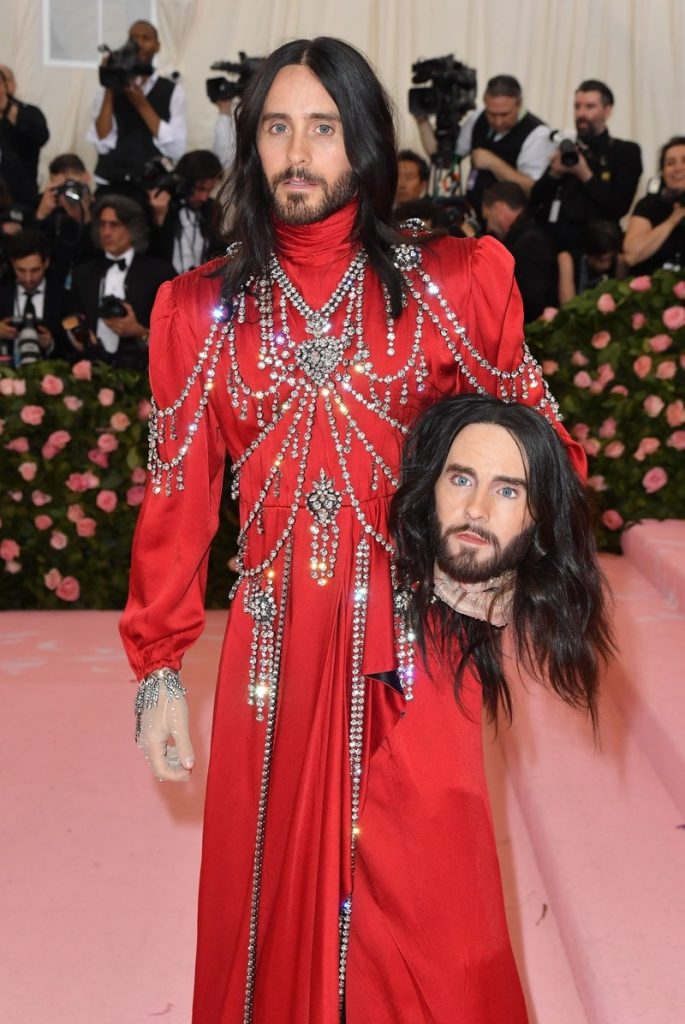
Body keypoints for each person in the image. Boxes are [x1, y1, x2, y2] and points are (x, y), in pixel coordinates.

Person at [119, 37, 585, 1024]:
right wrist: (157, 665)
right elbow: (176, 497)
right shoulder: (198, 311)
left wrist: (497, 546)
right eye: (275, 127)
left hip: (420, 648)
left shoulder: (453, 283)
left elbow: (541, 441)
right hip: (271, 654)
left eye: (321, 128)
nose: (296, 151)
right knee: (267, 900)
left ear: (362, 142)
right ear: (251, 145)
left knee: (432, 921)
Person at [415, 74, 552, 222]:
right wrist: (421, 120)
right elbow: (442, 157)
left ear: (519, 104)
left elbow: (532, 189)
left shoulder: (537, 134)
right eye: (492, 114)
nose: (498, 121)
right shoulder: (478, 118)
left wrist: (494, 164)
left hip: (510, 225)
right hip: (474, 216)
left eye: (504, 114)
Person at [530, 79, 642, 255]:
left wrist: (584, 174)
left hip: (595, 250)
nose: (581, 113)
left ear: (607, 110)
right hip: (551, 245)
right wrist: (554, 172)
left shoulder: (624, 152)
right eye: (577, 107)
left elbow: (618, 207)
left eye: (589, 107)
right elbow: (535, 199)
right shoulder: (567, 149)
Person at [69, 194, 175, 370]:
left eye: (114, 225)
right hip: (91, 369)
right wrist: (78, 334)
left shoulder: (158, 273)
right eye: (102, 224)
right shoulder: (83, 273)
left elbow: (174, 328)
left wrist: (140, 332)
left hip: (141, 371)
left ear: (133, 229)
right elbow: (70, 315)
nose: (106, 232)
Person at [86, 20, 187, 189]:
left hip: (153, 186)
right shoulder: (108, 88)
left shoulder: (172, 90)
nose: (139, 43)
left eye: (146, 38)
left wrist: (141, 104)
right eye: (133, 38)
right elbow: (102, 140)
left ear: (157, 46)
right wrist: (111, 82)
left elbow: (177, 149)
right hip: (113, 182)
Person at [481, 181, 559, 321]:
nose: (488, 227)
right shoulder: (527, 236)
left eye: (487, 218)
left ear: (498, 208)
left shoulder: (530, 242)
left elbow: (530, 302)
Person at [147, 149, 224, 273]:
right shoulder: (163, 206)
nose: (204, 197)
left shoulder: (211, 208)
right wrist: (159, 220)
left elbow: (215, 250)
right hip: (166, 285)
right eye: (200, 189)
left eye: (209, 191)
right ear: (183, 182)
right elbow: (150, 256)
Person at [0, 229, 70, 362]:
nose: (28, 278)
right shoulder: (2, 297)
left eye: (35, 270)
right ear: (12, 263)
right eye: (21, 270)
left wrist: (50, 344)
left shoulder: (64, 299)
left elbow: (73, 350)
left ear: (47, 263)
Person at [33, 153, 98, 288]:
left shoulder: (104, 209)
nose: (68, 193)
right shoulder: (53, 215)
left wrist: (86, 220)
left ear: (86, 178)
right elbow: (34, 253)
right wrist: (41, 215)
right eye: (62, 188)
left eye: (71, 185)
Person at [623, 136, 685, 275]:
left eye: (684, 161)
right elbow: (631, 256)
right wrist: (673, 220)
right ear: (662, 172)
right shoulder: (649, 205)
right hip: (651, 290)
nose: (678, 168)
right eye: (670, 163)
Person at [0, 65, 50, 207]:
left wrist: (6, 106)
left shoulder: (29, 112)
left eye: (4, 80)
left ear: (13, 84)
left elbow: (41, 137)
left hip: (20, 199)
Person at [557, 219, 626, 304]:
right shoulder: (568, 259)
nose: (607, 265)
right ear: (588, 254)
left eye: (611, 259)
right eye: (601, 260)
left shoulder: (619, 261)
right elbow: (567, 305)